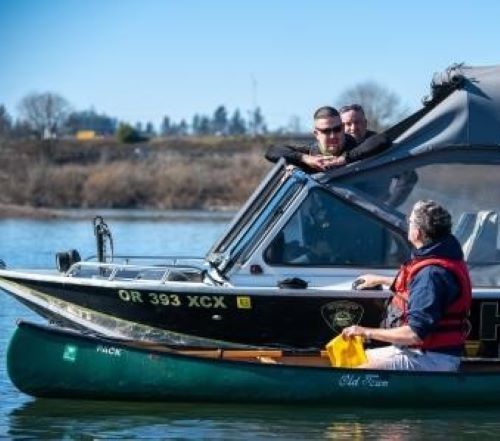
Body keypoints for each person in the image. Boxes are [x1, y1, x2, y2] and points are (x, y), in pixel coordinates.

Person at [342, 200, 472, 371]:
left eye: (409, 222)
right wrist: (382, 280)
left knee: (352, 368)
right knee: (348, 359)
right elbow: (423, 290)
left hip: (431, 358)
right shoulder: (443, 254)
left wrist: (365, 331)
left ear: (417, 233)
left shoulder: (431, 273)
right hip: (427, 353)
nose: (407, 225)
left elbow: (414, 335)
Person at [265, 106, 391, 173]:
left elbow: (383, 139)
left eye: (337, 129)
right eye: (326, 131)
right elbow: (272, 151)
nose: (333, 136)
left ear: (343, 128)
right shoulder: (310, 153)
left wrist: (344, 159)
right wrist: (305, 159)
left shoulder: (356, 144)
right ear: (316, 134)